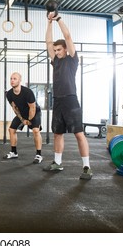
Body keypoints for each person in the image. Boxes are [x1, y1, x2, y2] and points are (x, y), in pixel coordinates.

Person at [45, 12, 92, 180]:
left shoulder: (72, 59)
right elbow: (48, 42)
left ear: (65, 49)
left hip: (71, 99)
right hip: (57, 100)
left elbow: (68, 36)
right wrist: (49, 22)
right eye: (55, 50)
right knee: (58, 133)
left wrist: (57, 19)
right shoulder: (56, 61)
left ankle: (86, 167)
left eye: (59, 49)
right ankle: (57, 162)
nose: (56, 52)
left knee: (79, 134)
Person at [4, 72, 43, 163]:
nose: (12, 81)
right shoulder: (9, 94)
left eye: (15, 79)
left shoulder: (27, 92)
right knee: (11, 129)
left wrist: (29, 120)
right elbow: (15, 108)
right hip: (22, 114)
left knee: (35, 130)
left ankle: (38, 155)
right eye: (11, 79)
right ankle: (14, 152)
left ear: (19, 80)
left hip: (34, 112)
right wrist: (22, 119)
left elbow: (32, 108)